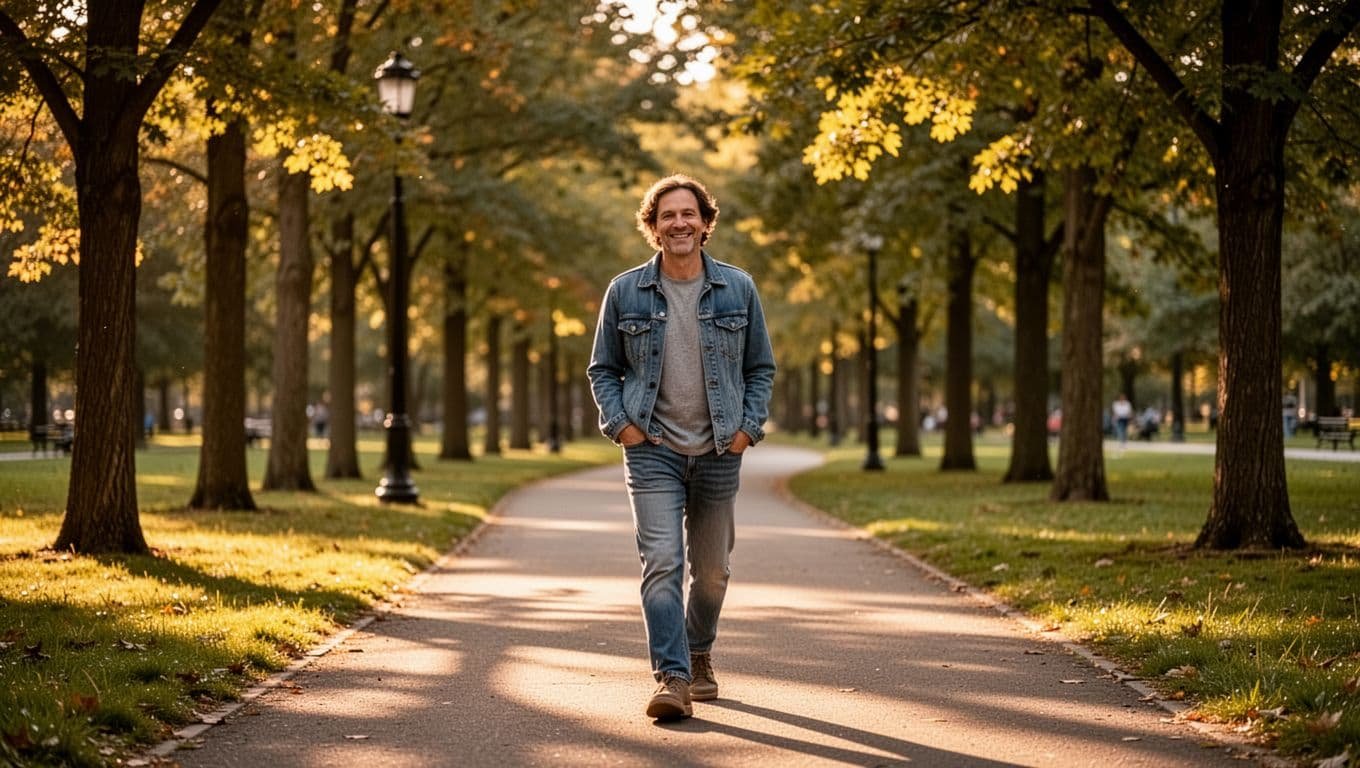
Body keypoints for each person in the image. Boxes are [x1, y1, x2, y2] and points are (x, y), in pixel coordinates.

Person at [587, 174, 776, 721]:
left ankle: (697, 653)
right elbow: (603, 369)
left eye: (688, 213)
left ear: (705, 222)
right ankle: (672, 677)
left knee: (712, 572)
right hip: (652, 449)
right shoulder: (625, 291)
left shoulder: (738, 288)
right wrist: (622, 426)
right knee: (663, 562)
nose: (679, 223)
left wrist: (746, 429)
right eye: (667, 215)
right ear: (653, 226)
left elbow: (760, 368)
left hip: (719, 449)